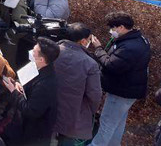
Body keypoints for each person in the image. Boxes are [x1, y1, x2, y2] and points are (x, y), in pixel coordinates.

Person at [87, 11, 151, 146]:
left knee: (107, 123)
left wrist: (98, 49)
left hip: (121, 92)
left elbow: (111, 65)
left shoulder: (129, 47)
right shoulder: (138, 40)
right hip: (129, 90)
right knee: (118, 122)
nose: (111, 31)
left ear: (121, 27)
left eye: (113, 28)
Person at [0, 38, 60, 146]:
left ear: (41, 59)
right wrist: (17, 85)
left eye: (34, 51)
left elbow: (30, 110)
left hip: (32, 135)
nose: (31, 52)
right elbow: (25, 84)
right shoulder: (35, 66)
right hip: (21, 126)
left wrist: (14, 92)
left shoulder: (45, 84)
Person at [54, 23, 102, 146]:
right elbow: (94, 95)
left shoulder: (52, 51)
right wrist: (90, 110)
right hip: (73, 111)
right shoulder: (90, 64)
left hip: (49, 104)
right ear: (83, 41)